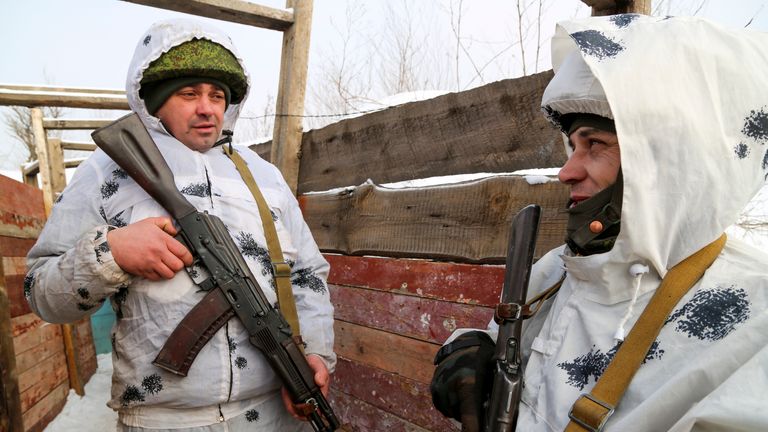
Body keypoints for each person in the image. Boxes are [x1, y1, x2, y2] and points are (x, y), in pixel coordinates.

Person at [431, 14, 768, 432]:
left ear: (669, 156)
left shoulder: (755, 325)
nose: (565, 172)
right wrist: (470, 351)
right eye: (572, 145)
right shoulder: (559, 268)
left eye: (595, 144)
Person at [25, 19, 335, 431]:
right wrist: (111, 253)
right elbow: (41, 293)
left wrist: (313, 354)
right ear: (154, 101)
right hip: (163, 420)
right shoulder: (106, 173)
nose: (207, 108)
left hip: (274, 413)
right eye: (189, 93)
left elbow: (307, 274)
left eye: (217, 95)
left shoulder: (263, 175)